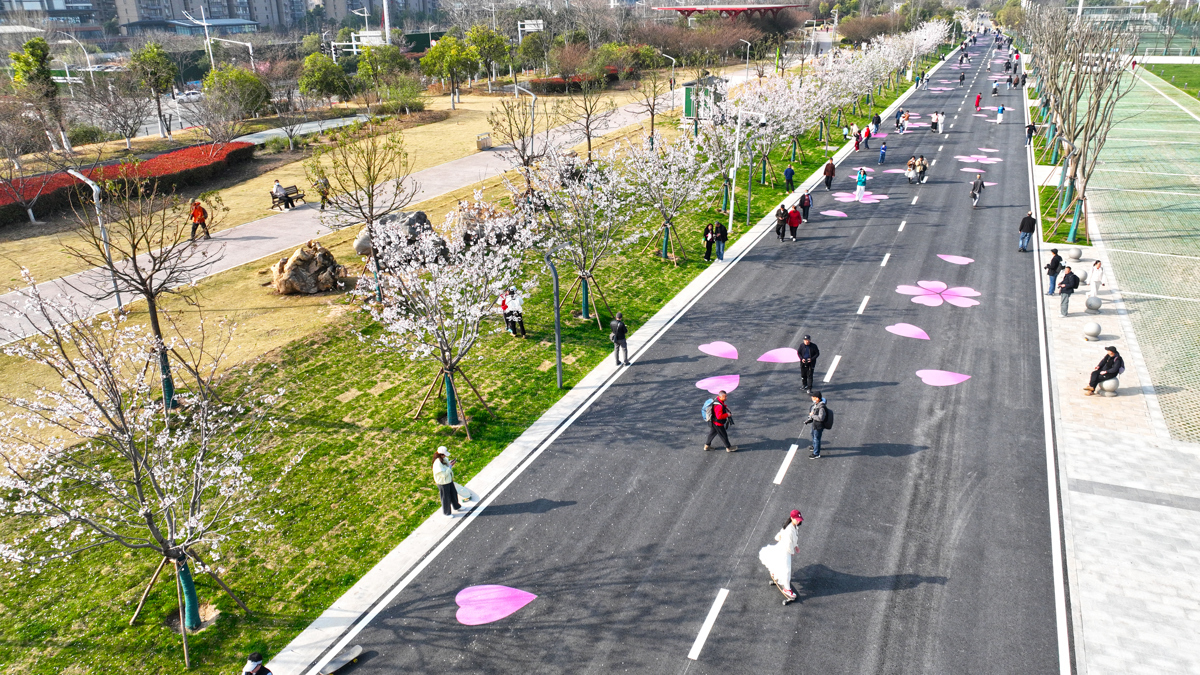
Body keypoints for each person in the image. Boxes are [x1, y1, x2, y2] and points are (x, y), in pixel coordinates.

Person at [758, 510, 803, 602]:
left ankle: (775, 573)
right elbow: (789, 543)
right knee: (787, 570)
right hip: (785, 550)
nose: (798, 521)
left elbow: (786, 537)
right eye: (797, 519)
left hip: (783, 547)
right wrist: (792, 551)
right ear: (792, 518)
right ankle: (787, 589)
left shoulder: (792, 526)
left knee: (777, 561)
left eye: (799, 520)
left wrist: (796, 546)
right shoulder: (789, 530)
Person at [433, 449, 462, 516]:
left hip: (448, 480)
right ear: (441, 454)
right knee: (446, 498)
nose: (445, 456)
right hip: (443, 483)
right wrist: (450, 466)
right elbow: (444, 474)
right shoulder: (437, 463)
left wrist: (450, 464)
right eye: (444, 454)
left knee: (453, 493)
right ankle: (447, 513)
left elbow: (446, 465)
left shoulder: (443, 459)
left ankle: (456, 506)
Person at [804, 391, 826, 459]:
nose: (812, 397)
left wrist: (812, 415)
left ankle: (816, 453)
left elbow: (821, 418)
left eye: (813, 397)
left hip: (818, 425)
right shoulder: (816, 404)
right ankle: (815, 446)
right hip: (815, 424)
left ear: (817, 398)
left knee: (817, 438)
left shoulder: (821, 407)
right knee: (813, 434)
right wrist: (808, 420)